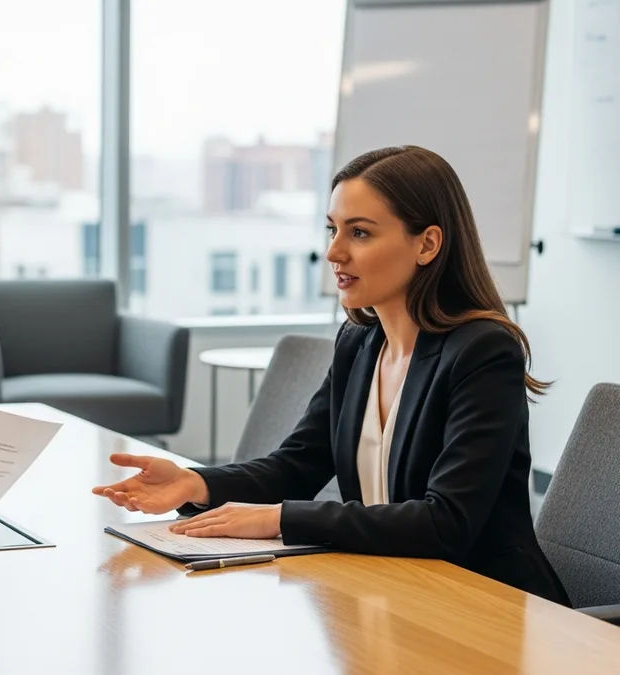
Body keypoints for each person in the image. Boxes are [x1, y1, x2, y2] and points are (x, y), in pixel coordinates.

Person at [93, 145, 568, 604]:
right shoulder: (359, 342)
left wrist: (278, 519)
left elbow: (446, 523)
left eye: (359, 233)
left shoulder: (483, 352)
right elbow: (296, 466)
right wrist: (195, 484)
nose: (334, 253)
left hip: (484, 602)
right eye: (332, 230)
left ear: (427, 244)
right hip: (392, 590)